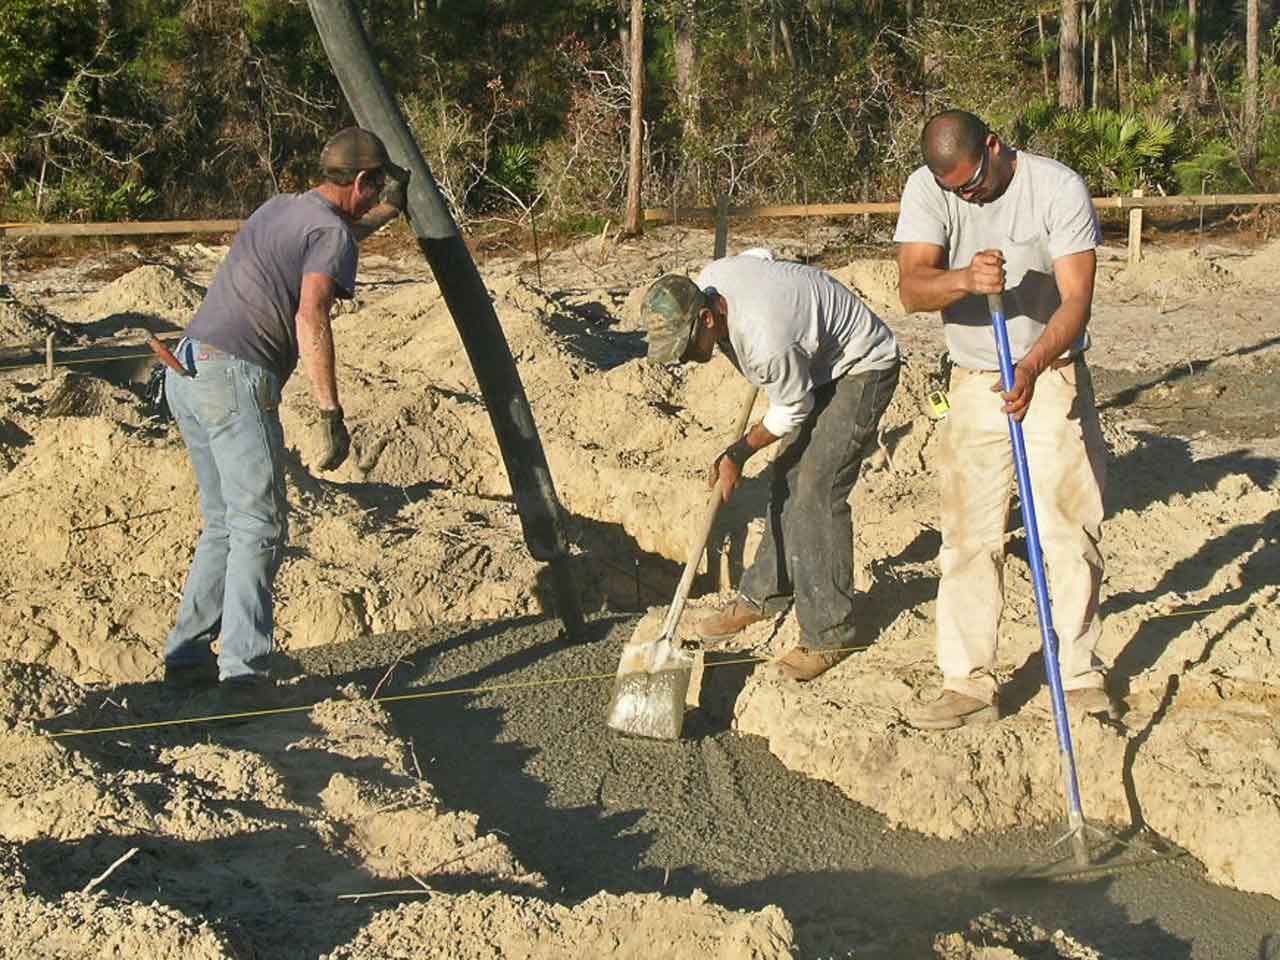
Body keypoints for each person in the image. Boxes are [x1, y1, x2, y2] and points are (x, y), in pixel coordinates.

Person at [161, 127, 409, 700]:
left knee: (224, 522)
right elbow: (312, 314)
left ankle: (187, 659)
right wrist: (329, 411)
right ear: (363, 181)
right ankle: (244, 676)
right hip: (234, 378)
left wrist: (386, 215)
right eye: (374, 191)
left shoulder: (283, 208)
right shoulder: (330, 235)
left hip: (187, 367)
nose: (374, 202)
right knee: (260, 526)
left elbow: (330, 232)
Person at [894, 109, 1115, 729]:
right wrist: (965, 278)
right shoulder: (927, 188)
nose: (966, 197)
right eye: (955, 190)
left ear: (994, 147)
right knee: (968, 537)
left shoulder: (1056, 187)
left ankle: (1077, 672)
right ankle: (968, 682)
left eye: (972, 185)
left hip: (1050, 372)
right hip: (972, 381)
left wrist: (1035, 363)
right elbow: (912, 287)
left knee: (1067, 530)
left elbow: (1078, 300)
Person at [641, 253, 900, 681]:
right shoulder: (714, 277)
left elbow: (792, 409)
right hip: (816, 362)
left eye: (687, 348)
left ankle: (831, 633)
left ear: (707, 318)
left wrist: (737, 453)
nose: (685, 359)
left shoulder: (764, 341)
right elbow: (762, 255)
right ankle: (764, 595)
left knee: (817, 489)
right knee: (785, 478)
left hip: (863, 365)